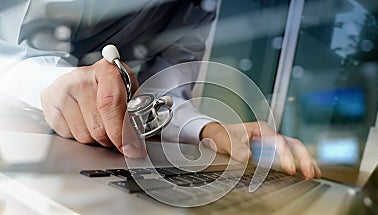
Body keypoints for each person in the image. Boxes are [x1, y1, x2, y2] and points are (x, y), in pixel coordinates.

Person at [0, 0, 321, 178]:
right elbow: (9, 52)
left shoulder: (201, 7)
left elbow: (165, 96)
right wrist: (51, 84)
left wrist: (209, 130)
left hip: (90, 157)